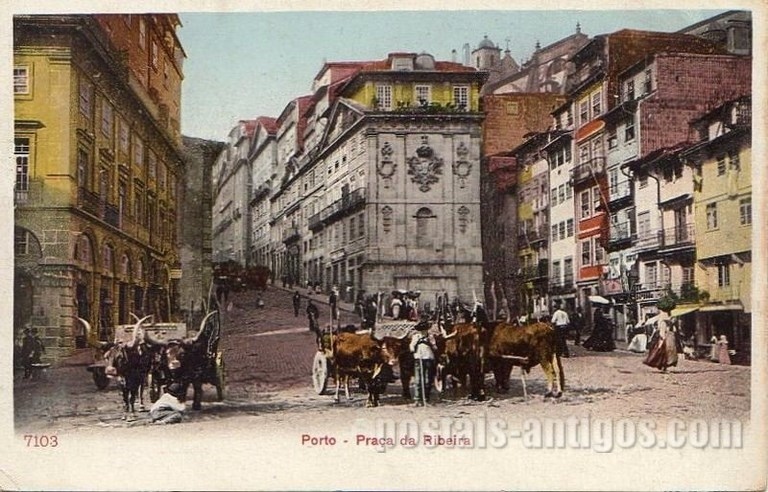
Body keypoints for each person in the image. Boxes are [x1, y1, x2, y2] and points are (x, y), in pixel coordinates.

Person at [409, 319, 436, 406]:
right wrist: (417, 343)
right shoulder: (415, 337)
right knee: (418, 380)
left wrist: (430, 343)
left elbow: (435, 348)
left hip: (428, 358)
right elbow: (411, 348)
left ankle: (426, 399)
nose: (424, 331)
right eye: (422, 330)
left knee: (427, 380)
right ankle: (417, 399)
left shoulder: (430, 337)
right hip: (418, 359)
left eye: (425, 329)